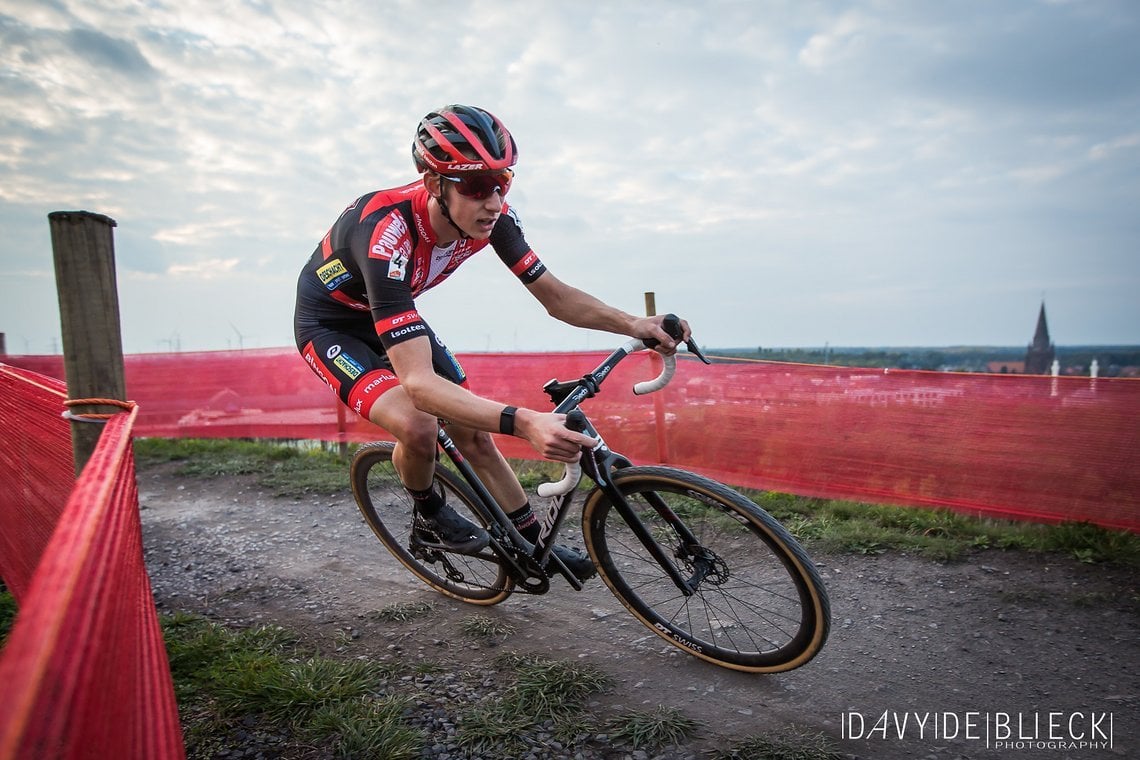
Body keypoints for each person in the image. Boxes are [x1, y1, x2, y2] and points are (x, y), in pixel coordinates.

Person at [294, 104, 689, 579]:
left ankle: (530, 542)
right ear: (434, 183)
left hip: (392, 314)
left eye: (503, 183)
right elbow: (418, 385)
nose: (494, 201)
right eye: (478, 186)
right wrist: (525, 423)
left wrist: (635, 324)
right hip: (332, 327)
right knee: (419, 425)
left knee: (472, 430)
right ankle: (428, 510)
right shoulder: (386, 234)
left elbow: (556, 297)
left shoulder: (492, 222)